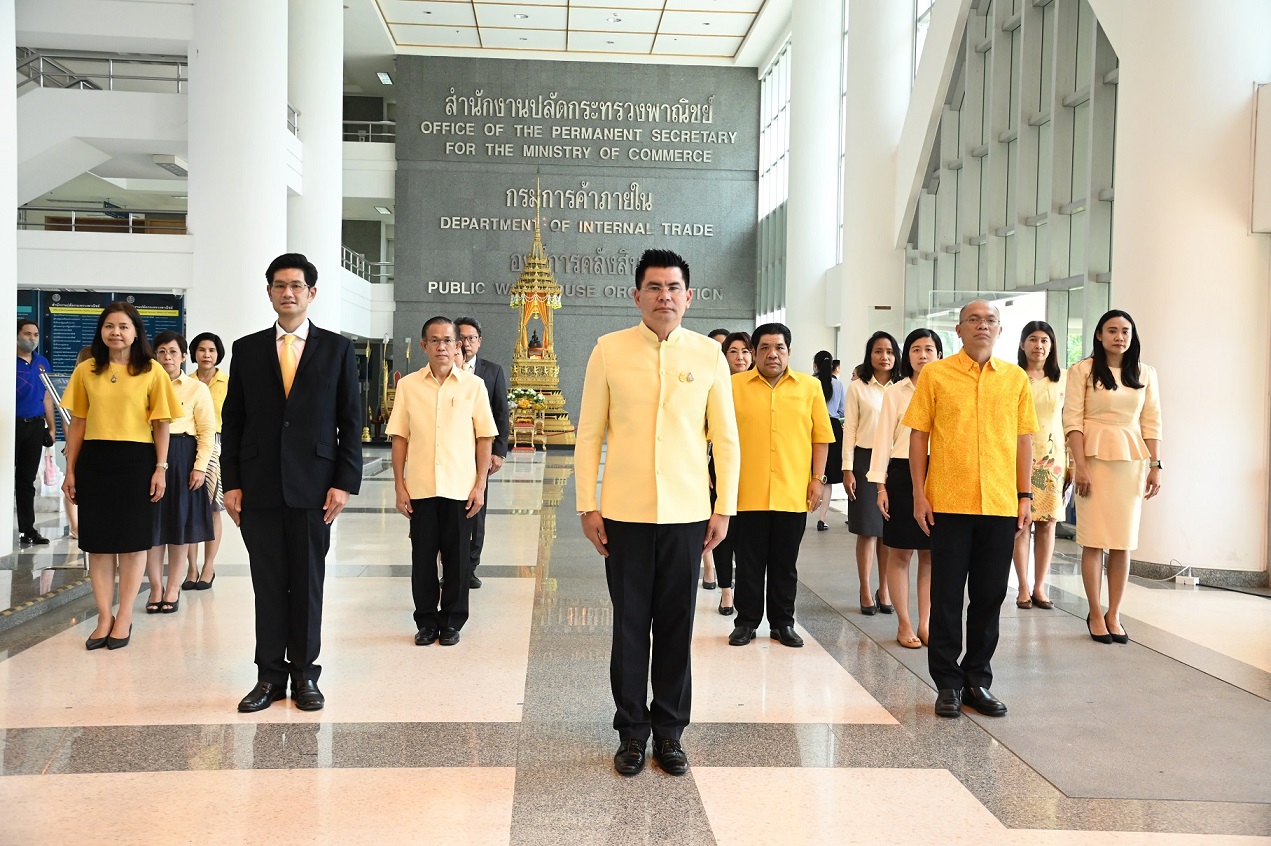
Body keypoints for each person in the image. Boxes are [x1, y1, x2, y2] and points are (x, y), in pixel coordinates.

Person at [576, 248, 739, 778]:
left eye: (673, 287)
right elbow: (589, 435)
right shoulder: (609, 350)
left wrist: (724, 508)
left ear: (688, 296)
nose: (664, 296)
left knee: (675, 626)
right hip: (623, 513)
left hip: (689, 514)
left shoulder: (708, 356)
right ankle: (630, 731)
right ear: (637, 295)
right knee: (629, 628)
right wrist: (587, 503)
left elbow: (726, 439)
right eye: (653, 287)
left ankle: (669, 732)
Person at [221, 253, 362, 713]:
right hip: (259, 486)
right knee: (267, 583)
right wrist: (232, 482)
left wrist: (343, 482)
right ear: (269, 292)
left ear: (312, 293)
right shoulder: (246, 349)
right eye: (280, 285)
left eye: (297, 286)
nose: (288, 293)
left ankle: (304, 675)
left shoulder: (337, 350)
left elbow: (350, 420)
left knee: (306, 583)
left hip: (314, 488)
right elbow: (235, 421)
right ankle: (268, 677)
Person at [904, 300, 1037, 719]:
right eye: (974, 320)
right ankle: (947, 683)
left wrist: (1025, 496)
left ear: (1000, 331)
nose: (983, 326)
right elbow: (919, 437)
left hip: (998, 503)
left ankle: (977, 679)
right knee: (946, 596)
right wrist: (918, 494)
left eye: (991, 321)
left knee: (989, 595)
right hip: (947, 502)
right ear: (958, 331)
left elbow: (1024, 442)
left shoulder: (1015, 379)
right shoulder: (937, 375)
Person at [62, 302, 180, 651]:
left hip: (137, 461)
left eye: (123, 326)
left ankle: (124, 614)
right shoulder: (87, 371)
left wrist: (160, 468)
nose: (116, 332)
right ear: (101, 331)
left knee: (132, 544)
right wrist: (70, 470)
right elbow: (79, 423)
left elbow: (162, 424)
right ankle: (103, 616)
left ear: (135, 332)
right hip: (95, 461)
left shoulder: (152, 371)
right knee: (98, 545)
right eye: (109, 325)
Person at [388, 317, 497, 646]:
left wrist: (479, 485)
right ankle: (425, 622)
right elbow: (399, 439)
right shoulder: (408, 386)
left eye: (448, 340)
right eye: (434, 341)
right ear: (424, 346)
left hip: (459, 488)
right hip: (420, 487)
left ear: (458, 345)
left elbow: (484, 438)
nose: (442, 347)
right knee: (422, 559)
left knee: (457, 560)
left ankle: (451, 621)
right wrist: (399, 484)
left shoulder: (473, 387)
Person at [727, 323, 833, 649]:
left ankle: (783, 623)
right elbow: (718, 436)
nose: (773, 354)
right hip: (747, 492)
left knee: (785, 564)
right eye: (765, 348)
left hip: (792, 491)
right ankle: (745, 622)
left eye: (780, 348)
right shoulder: (733, 386)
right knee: (748, 563)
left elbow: (821, 438)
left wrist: (817, 480)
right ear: (755, 352)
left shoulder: (810, 387)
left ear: (789, 351)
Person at [1063, 310, 1162, 645]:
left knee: (1122, 540)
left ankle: (1114, 613)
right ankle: (1094, 611)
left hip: (1131, 461)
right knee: (1093, 538)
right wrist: (1080, 466)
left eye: (1125, 331)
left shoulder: (1145, 373)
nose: (1119, 337)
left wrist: (1156, 464)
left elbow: (1152, 422)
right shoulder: (1083, 371)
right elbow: (1072, 421)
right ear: (1099, 335)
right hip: (1093, 458)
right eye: (1112, 331)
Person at [870, 328, 943, 649]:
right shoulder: (895, 393)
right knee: (900, 553)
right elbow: (882, 440)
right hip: (900, 475)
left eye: (929, 349)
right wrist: (880, 487)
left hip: (939, 474)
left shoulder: (947, 390)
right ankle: (904, 623)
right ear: (907, 356)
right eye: (916, 349)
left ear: (940, 354)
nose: (923, 355)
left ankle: (926, 624)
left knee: (930, 555)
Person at [145, 331, 216, 614]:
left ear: (184, 356)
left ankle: (172, 587)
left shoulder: (196, 388)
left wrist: (199, 467)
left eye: (173, 352)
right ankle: (154, 588)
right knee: (151, 528)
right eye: (161, 352)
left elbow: (207, 431)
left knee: (178, 526)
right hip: (148, 456)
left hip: (183, 457)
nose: (167, 357)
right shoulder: (146, 384)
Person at [842, 331, 898, 615]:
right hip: (865, 461)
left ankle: (884, 588)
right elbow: (849, 429)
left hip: (896, 462)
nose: (884, 356)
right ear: (870, 354)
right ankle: (865, 588)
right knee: (868, 530)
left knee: (888, 531)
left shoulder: (904, 387)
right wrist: (847, 469)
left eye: (889, 351)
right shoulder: (858, 388)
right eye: (878, 351)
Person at [1013, 321, 1068, 610]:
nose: (1039, 345)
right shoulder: (1013, 377)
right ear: (1022, 344)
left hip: (1053, 457)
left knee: (1048, 524)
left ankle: (1040, 586)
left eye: (1045, 340)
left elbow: (1069, 421)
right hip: (1019, 455)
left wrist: (1070, 459)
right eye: (1032, 339)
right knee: (1022, 524)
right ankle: (1022, 586)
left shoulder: (1063, 379)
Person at [454, 316, 510, 589]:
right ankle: (450, 566)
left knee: (477, 510)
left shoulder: (493, 371)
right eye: (461, 337)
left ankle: (471, 566)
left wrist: (499, 451)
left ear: (479, 341)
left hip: (481, 453)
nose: (466, 343)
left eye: (471, 338)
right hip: (451, 453)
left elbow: (501, 412)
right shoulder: (442, 369)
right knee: (450, 512)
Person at [706, 330, 752, 615]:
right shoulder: (715, 384)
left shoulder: (760, 386)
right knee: (723, 530)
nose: (740, 357)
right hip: (719, 466)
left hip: (752, 466)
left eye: (746, 351)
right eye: (733, 351)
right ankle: (726, 590)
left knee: (748, 535)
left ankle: (746, 591)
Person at [184, 332, 229, 591]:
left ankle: (208, 565)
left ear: (218, 354)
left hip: (219, 446)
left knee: (213, 507)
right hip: (190, 444)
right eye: (201, 350)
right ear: (194, 353)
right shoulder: (185, 381)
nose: (206, 355)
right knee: (189, 507)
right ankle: (191, 567)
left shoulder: (228, 382)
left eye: (211, 350)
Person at [15, 319, 57, 545]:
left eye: (35, 335)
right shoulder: (6, 359)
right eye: (27, 334)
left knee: (26, 480)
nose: (31, 338)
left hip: (34, 425)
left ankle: (27, 530)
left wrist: (51, 427)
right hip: (10, 426)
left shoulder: (42, 363)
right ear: (16, 335)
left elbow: (47, 396)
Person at [812, 349, 845, 531]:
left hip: (812, 426)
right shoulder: (837, 384)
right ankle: (822, 518)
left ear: (815, 364)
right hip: (832, 427)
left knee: (812, 471)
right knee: (828, 477)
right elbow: (842, 410)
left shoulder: (810, 382)